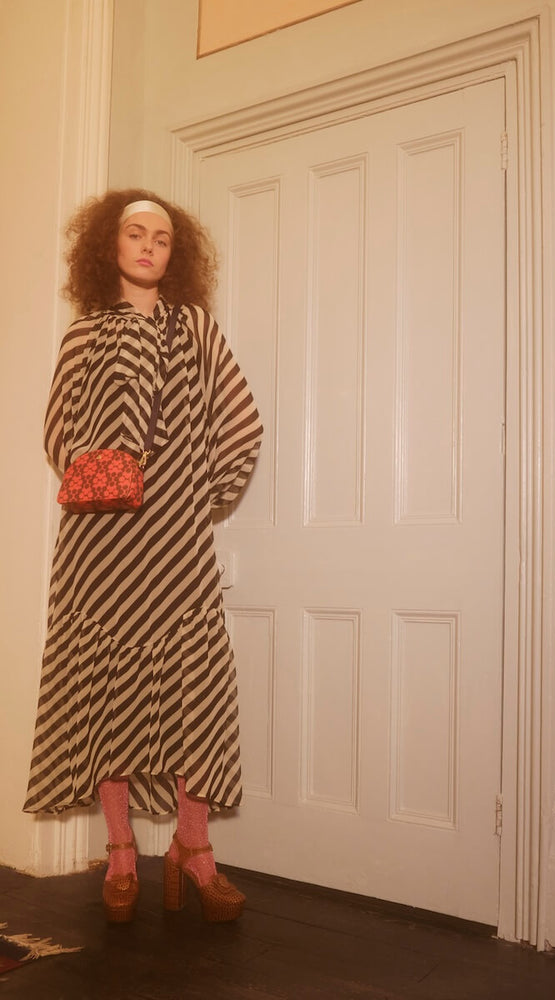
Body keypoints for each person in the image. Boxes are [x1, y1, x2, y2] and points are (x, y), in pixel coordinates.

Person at [23, 189, 263, 924]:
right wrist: (106, 473)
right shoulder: (84, 334)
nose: (149, 246)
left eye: (162, 237)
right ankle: (121, 852)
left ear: (175, 253)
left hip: (178, 548)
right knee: (109, 699)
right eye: (135, 233)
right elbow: (57, 432)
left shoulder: (196, 329)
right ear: (110, 246)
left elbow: (240, 421)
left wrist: (200, 495)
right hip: (99, 549)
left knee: (197, 699)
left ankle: (194, 852)